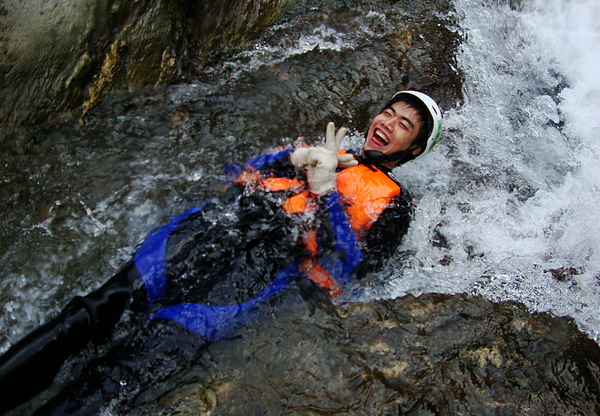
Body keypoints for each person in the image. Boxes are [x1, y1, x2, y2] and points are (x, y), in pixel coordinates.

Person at [0, 90, 442, 414]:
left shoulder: (396, 205)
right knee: (87, 316)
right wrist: (291, 158)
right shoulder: (330, 152)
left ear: (414, 150)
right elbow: (236, 176)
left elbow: (353, 267)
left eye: (404, 124)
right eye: (389, 111)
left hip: (251, 276)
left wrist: (326, 193)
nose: (388, 121)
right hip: (204, 236)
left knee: (125, 372)